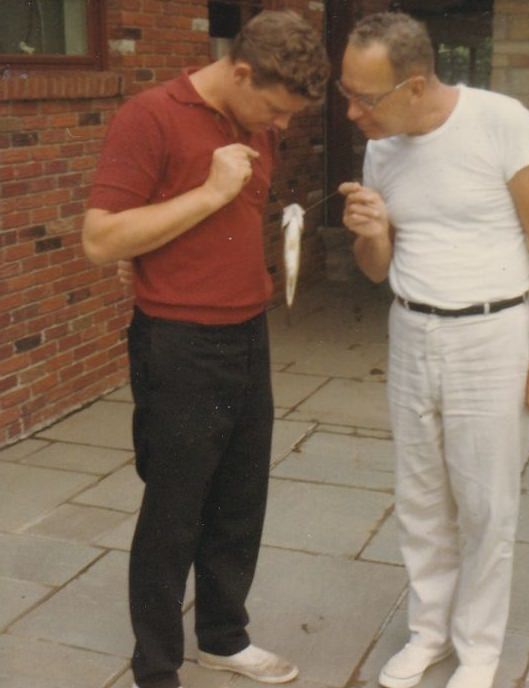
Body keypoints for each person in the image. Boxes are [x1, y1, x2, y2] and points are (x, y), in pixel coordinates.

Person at [82, 11, 329, 688]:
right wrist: (210, 191)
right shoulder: (149, 116)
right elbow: (100, 239)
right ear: (242, 72)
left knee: (240, 501)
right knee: (174, 512)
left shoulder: (253, 120)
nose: (278, 126)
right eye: (275, 109)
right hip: (179, 343)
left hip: (247, 332)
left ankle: (223, 637)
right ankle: (156, 669)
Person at [338, 12, 529, 688]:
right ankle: (427, 634)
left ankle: (478, 651)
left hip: (491, 335)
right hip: (411, 332)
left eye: (365, 97)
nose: (352, 112)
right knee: (418, 498)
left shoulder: (501, 121)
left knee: (485, 502)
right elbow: (376, 268)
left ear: (415, 85)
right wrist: (371, 231)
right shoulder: (381, 146)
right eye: (344, 94)